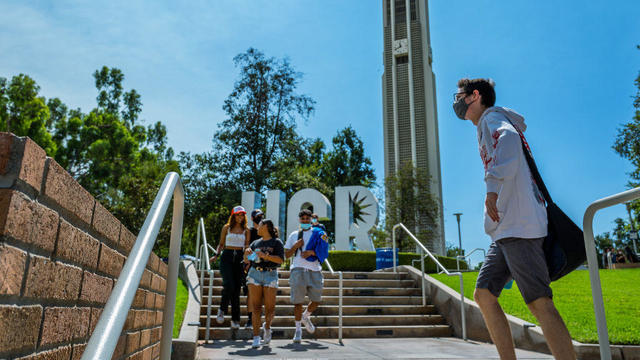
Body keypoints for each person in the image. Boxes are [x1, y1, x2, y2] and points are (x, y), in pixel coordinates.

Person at [454, 78, 576, 360]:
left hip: (519, 227)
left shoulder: (492, 118)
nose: (457, 103)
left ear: (475, 96)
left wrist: (492, 190)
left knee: (539, 303)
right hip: (506, 229)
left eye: (460, 96)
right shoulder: (489, 122)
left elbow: (507, 141)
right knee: (484, 295)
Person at [284, 209, 325, 343]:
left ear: (311, 220)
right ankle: (298, 330)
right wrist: (296, 246)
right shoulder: (294, 234)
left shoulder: (318, 233)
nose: (305, 221)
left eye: (308, 219)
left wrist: (312, 252)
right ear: (299, 220)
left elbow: (324, 250)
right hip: (298, 269)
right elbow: (286, 255)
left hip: (314, 270)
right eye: (303, 219)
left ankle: (305, 316)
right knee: (297, 302)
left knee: (317, 300)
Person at [244, 219, 285, 348]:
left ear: (266, 226)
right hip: (254, 274)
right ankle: (256, 337)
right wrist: (246, 254)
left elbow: (280, 260)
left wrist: (265, 256)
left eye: (260, 225)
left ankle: (267, 327)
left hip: (270, 274)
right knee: (256, 307)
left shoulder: (276, 242)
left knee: (270, 308)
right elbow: (247, 260)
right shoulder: (255, 243)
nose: (257, 227)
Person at [211, 206, 250, 329]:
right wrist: (216, 255)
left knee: (237, 289)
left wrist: (247, 259)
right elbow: (221, 244)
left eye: (242, 215)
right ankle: (222, 310)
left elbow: (247, 246)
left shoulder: (246, 230)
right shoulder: (226, 228)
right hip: (227, 256)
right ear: (233, 216)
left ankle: (235, 319)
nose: (240, 217)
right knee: (229, 284)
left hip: (239, 258)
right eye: (238, 214)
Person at [243, 209, 264, 329]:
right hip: (251, 264)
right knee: (250, 293)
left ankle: (258, 318)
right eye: (257, 216)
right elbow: (247, 247)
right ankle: (250, 318)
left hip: (264, 265)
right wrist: (248, 261)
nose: (259, 218)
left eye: (261, 216)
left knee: (261, 295)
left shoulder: (266, 230)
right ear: (252, 218)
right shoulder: (250, 231)